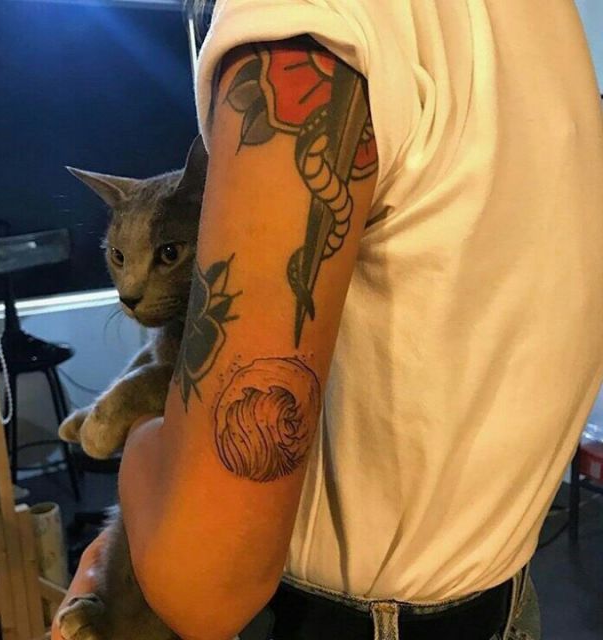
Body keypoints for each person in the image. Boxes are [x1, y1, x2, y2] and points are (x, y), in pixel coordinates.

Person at [52, 1, 603, 639]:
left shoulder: (301, 25)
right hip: (503, 596)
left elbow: (207, 586)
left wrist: (138, 442)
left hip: (341, 622)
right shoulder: (549, 25)